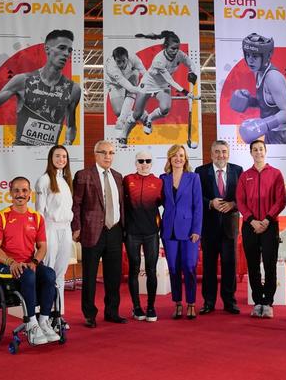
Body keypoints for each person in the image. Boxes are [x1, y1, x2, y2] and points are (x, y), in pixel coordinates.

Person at [0, 177, 60, 345]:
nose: (20, 194)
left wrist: (35, 262)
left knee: (49, 274)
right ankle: (31, 324)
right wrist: (11, 262)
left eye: (24, 191)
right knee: (28, 275)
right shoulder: (1, 217)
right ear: (10, 194)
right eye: (16, 191)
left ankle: (43, 321)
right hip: (5, 266)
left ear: (29, 194)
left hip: (29, 264)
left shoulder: (37, 218)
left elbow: (42, 247)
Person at [0, 29, 82, 146]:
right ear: (47, 49)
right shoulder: (23, 80)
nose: (66, 53)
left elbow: (71, 126)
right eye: (62, 48)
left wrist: (68, 143)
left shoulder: (73, 89)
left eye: (69, 50)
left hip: (49, 157)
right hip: (21, 154)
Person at [71, 140, 126, 328]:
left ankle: (112, 312)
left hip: (115, 231)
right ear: (95, 154)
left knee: (113, 276)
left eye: (111, 153)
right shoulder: (83, 175)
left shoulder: (118, 177)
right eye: (103, 152)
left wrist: (124, 230)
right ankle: (89, 314)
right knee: (90, 276)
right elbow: (76, 203)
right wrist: (76, 227)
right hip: (91, 232)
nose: (107, 156)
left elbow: (121, 205)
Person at [119, 30, 198, 146]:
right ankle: (123, 135)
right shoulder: (159, 60)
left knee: (165, 108)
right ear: (165, 47)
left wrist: (192, 71)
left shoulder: (179, 54)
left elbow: (191, 63)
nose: (175, 51)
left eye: (177, 48)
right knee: (137, 114)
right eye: (172, 48)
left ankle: (149, 119)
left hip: (162, 86)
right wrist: (185, 91)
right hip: (148, 83)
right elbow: (169, 80)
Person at [236, 140, 286, 318]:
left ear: (265, 151)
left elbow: (280, 200)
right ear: (251, 153)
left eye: (260, 149)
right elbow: (240, 200)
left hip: (269, 225)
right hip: (250, 226)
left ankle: (268, 302)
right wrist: (251, 220)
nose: (258, 152)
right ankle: (258, 301)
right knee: (253, 265)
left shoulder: (275, 174)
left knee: (270, 265)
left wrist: (266, 220)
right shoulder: (245, 176)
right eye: (255, 150)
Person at [194, 140, 243, 315]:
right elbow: (197, 197)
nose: (221, 155)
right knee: (209, 266)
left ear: (228, 153)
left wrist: (233, 204)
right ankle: (208, 302)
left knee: (230, 264)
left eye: (223, 151)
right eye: (217, 152)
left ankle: (230, 301)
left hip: (230, 226)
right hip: (209, 226)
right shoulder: (200, 172)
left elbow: (242, 197)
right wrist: (210, 203)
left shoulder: (238, 170)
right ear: (211, 153)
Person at [230, 33, 286, 145]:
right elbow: (268, 101)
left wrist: (263, 124)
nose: (250, 60)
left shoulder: (273, 77)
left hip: (285, 135)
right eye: (248, 55)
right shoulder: (257, 72)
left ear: (265, 56)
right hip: (272, 132)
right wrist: (249, 102)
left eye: (255, 56)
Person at [160, 144, 202, 319]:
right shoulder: (163, 178)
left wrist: (196, 230)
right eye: (175, 155)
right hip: (169, 231)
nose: (178, 158)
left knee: (190, 267)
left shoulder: (193, 178)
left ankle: (191, 303)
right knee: (174, 268)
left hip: (189, 231)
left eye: (182, 156)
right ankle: (177, 303)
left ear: (186, 159)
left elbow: (198, 205)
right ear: (170, 158)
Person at [35, 145, 73, 328]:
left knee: (60, 274)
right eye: (58, 156)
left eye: (64, 156)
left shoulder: (65, 181)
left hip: (65, 230)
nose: (61, 159)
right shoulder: (43, 180)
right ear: (51, 158)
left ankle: (58, 314)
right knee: (48, 273)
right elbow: (39, 212)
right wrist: (40, 238)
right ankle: (46, 314)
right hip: (49, 229)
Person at [123, 151, 163, 322]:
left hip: (151, 233)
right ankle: (137, 307)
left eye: (148, 160)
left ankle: (151, 307)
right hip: (132, 233)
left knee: (151, 270)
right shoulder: (127, 180)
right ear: (136, 163)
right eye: (141, 161)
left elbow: (163, 204)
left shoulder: (158, 182)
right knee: (133, 269)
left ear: (152, 162)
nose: (144, 163)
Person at [104, 46, 147, 131]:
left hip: (130, 75)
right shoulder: (111, 68)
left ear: (128, 57)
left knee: (134, 76)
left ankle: (122, 120)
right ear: (114, 59)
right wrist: (144, 91)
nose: (122, 64)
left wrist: (152, 87)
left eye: (124, 61)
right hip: (114, 83)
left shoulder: (134, 59)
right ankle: (143, 115)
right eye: (118, 62)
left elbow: (145, 74)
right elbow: (130, 88)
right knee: (119, 112)